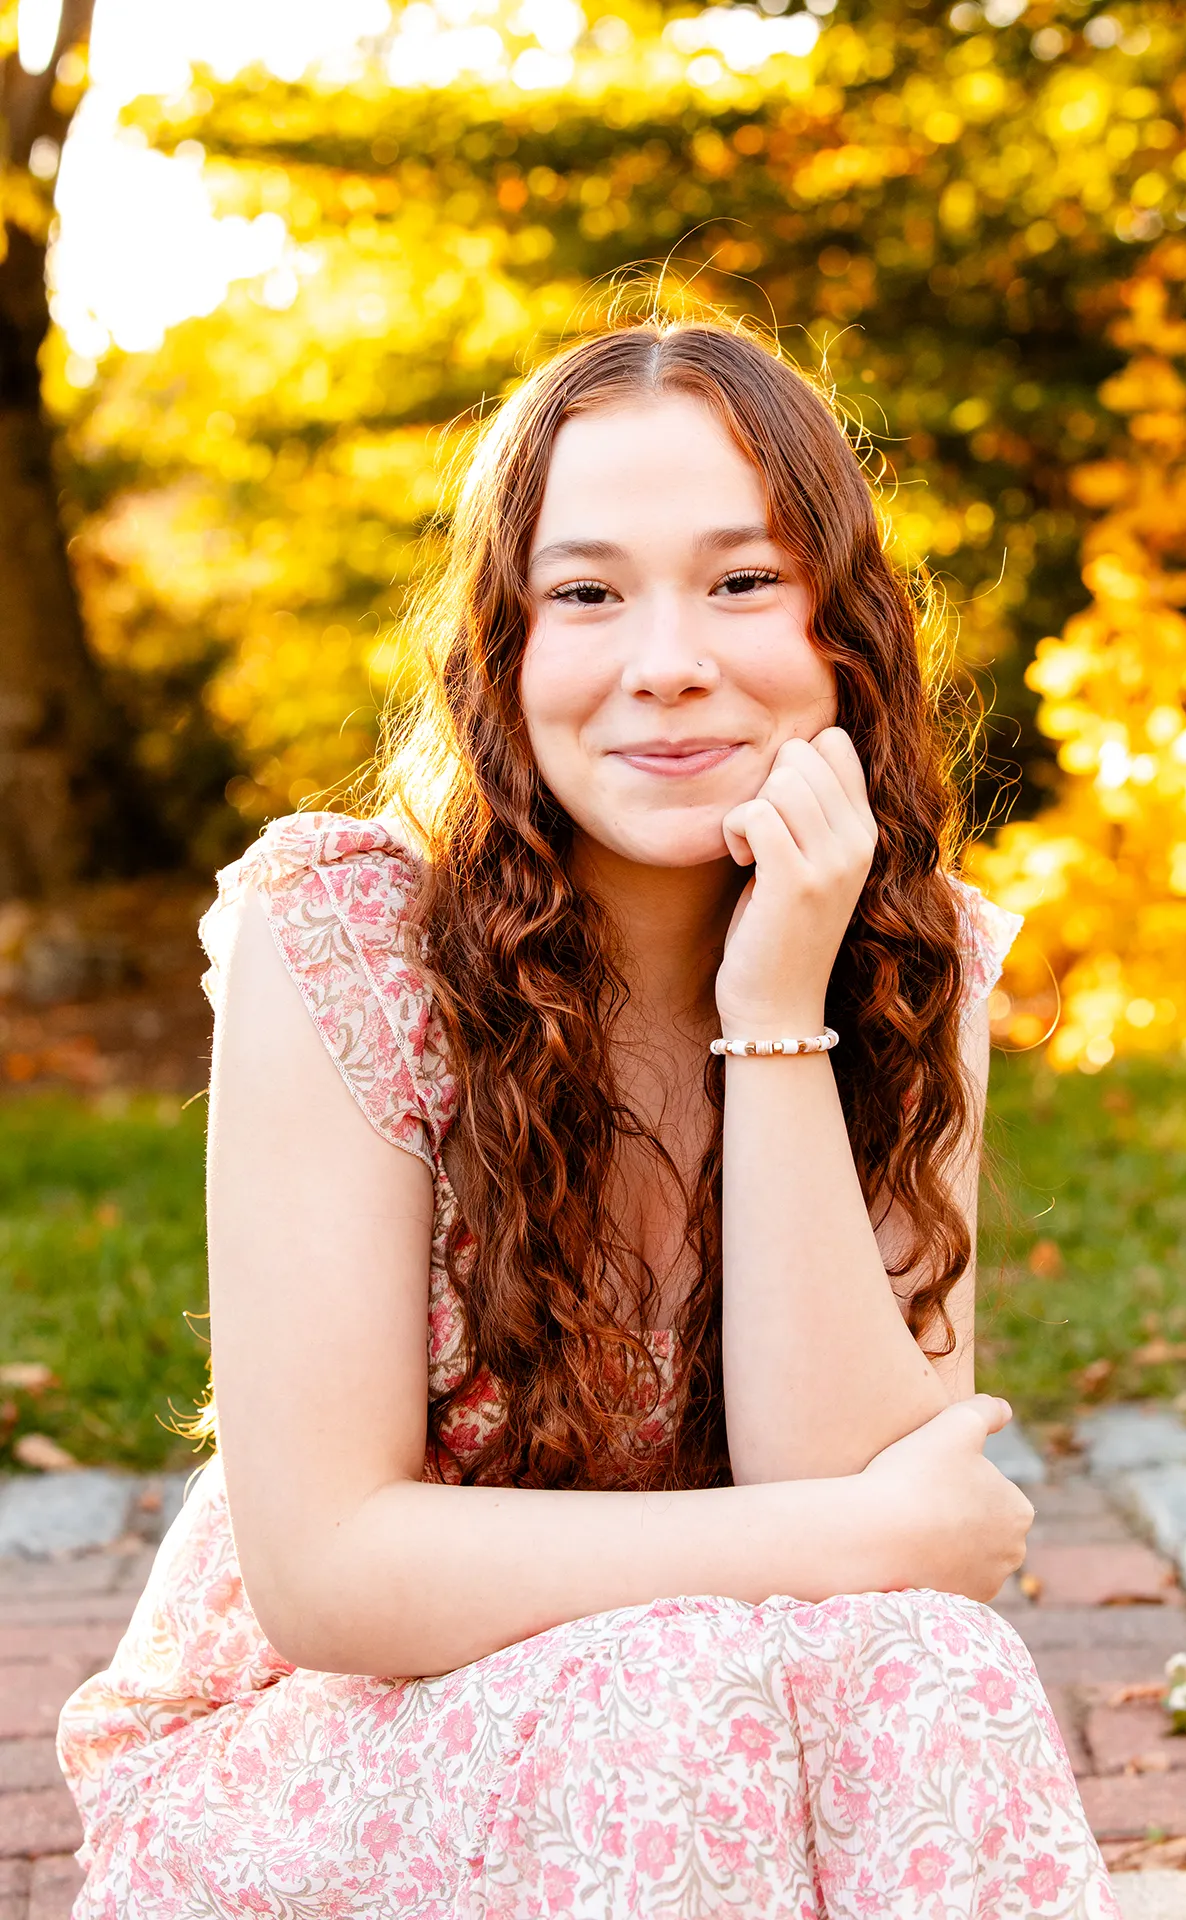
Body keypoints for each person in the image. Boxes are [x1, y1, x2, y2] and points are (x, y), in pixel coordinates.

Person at [58, 320, 1118, 1917]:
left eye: (744, 581)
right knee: (683, 1687)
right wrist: (824, 1550)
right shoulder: (342, 943)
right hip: (312, 1761)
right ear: (506, 647)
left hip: (694, 1726)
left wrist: (778, 1008)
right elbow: (333, 1572)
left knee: (933, 1668)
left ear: (849, 631)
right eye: (589, 592)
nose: (669, 657)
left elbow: (858, 1501)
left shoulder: (914, 959)